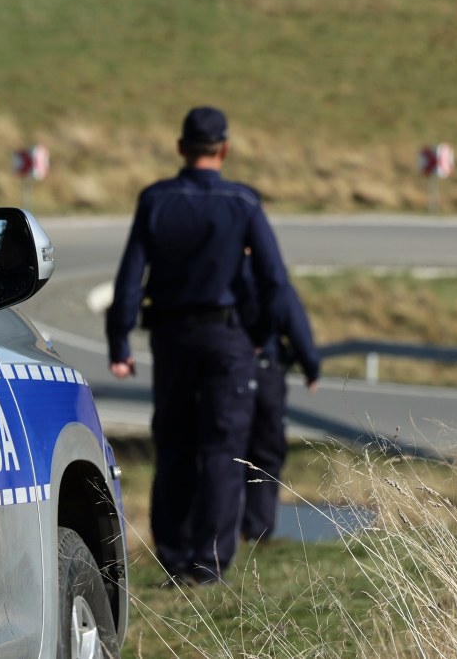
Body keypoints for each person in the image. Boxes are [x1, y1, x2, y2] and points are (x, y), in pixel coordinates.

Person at [106, 106, 288, 584]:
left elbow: (130, 277)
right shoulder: (243, 202)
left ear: (181, 148)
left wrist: (119, 339)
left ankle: (173, 553)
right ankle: (209, 564)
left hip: (171, 337)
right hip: (227, 338)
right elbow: (274, 279)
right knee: (222, 447)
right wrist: (261, 334)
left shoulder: (155, 200)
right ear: (224, 149)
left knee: (173, 442)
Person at [236, 259, 320, 543]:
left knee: (222, 452)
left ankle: (218, 530)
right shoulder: (271, 277)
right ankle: (256, 531)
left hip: (223, 372)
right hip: (265, 374)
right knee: (266, 454)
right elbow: (297, 327)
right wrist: (311, 368)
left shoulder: (217, 268)